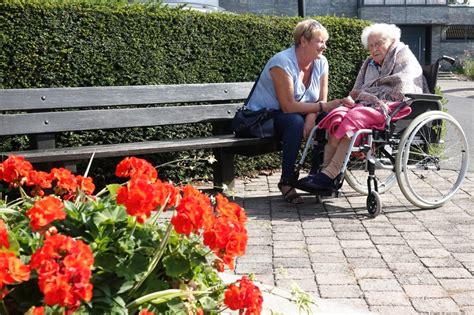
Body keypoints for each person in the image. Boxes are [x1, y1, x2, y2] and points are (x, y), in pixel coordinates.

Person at [298, 23, 426, 190]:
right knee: (337, 115)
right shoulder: (370, 62)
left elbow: (403, 86)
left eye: (378, 43)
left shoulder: (403, 56)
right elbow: (359, 89)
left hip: (394, 107)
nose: (374, 49)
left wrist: (371, 97)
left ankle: (330, 174)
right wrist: (356, 98)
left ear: (392, 41)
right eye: (371, 45)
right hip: (368, 105)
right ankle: (324, 174)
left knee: (353, 118)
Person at [246, 19, 350, 204]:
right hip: (262, 117)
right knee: (294, 122)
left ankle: (318, 177)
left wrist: (312, 118)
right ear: (303, 41)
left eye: (325, 42)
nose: (324, 46)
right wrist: (317, 110)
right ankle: (286, 181)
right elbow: (288, 106)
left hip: (298, 113)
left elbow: (321, 101)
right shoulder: (282, 62)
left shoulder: (321, 62)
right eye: (320, 41)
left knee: (329, 117)